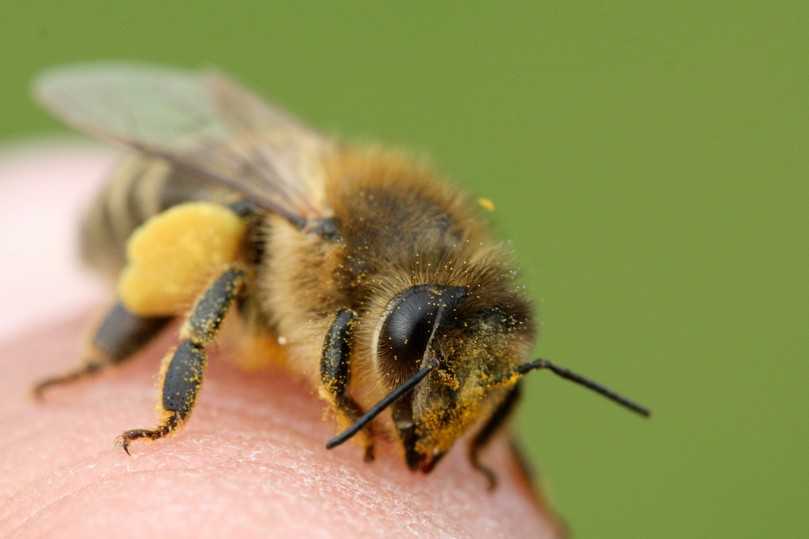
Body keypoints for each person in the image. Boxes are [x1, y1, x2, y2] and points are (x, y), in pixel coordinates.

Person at [0, 145, 563, 538]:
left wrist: (491, 448)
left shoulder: (424, 297)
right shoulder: (339, 255)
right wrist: (342, 401)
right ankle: (105, 360)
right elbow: (274, 290)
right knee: (230, 261)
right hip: (166, 191)